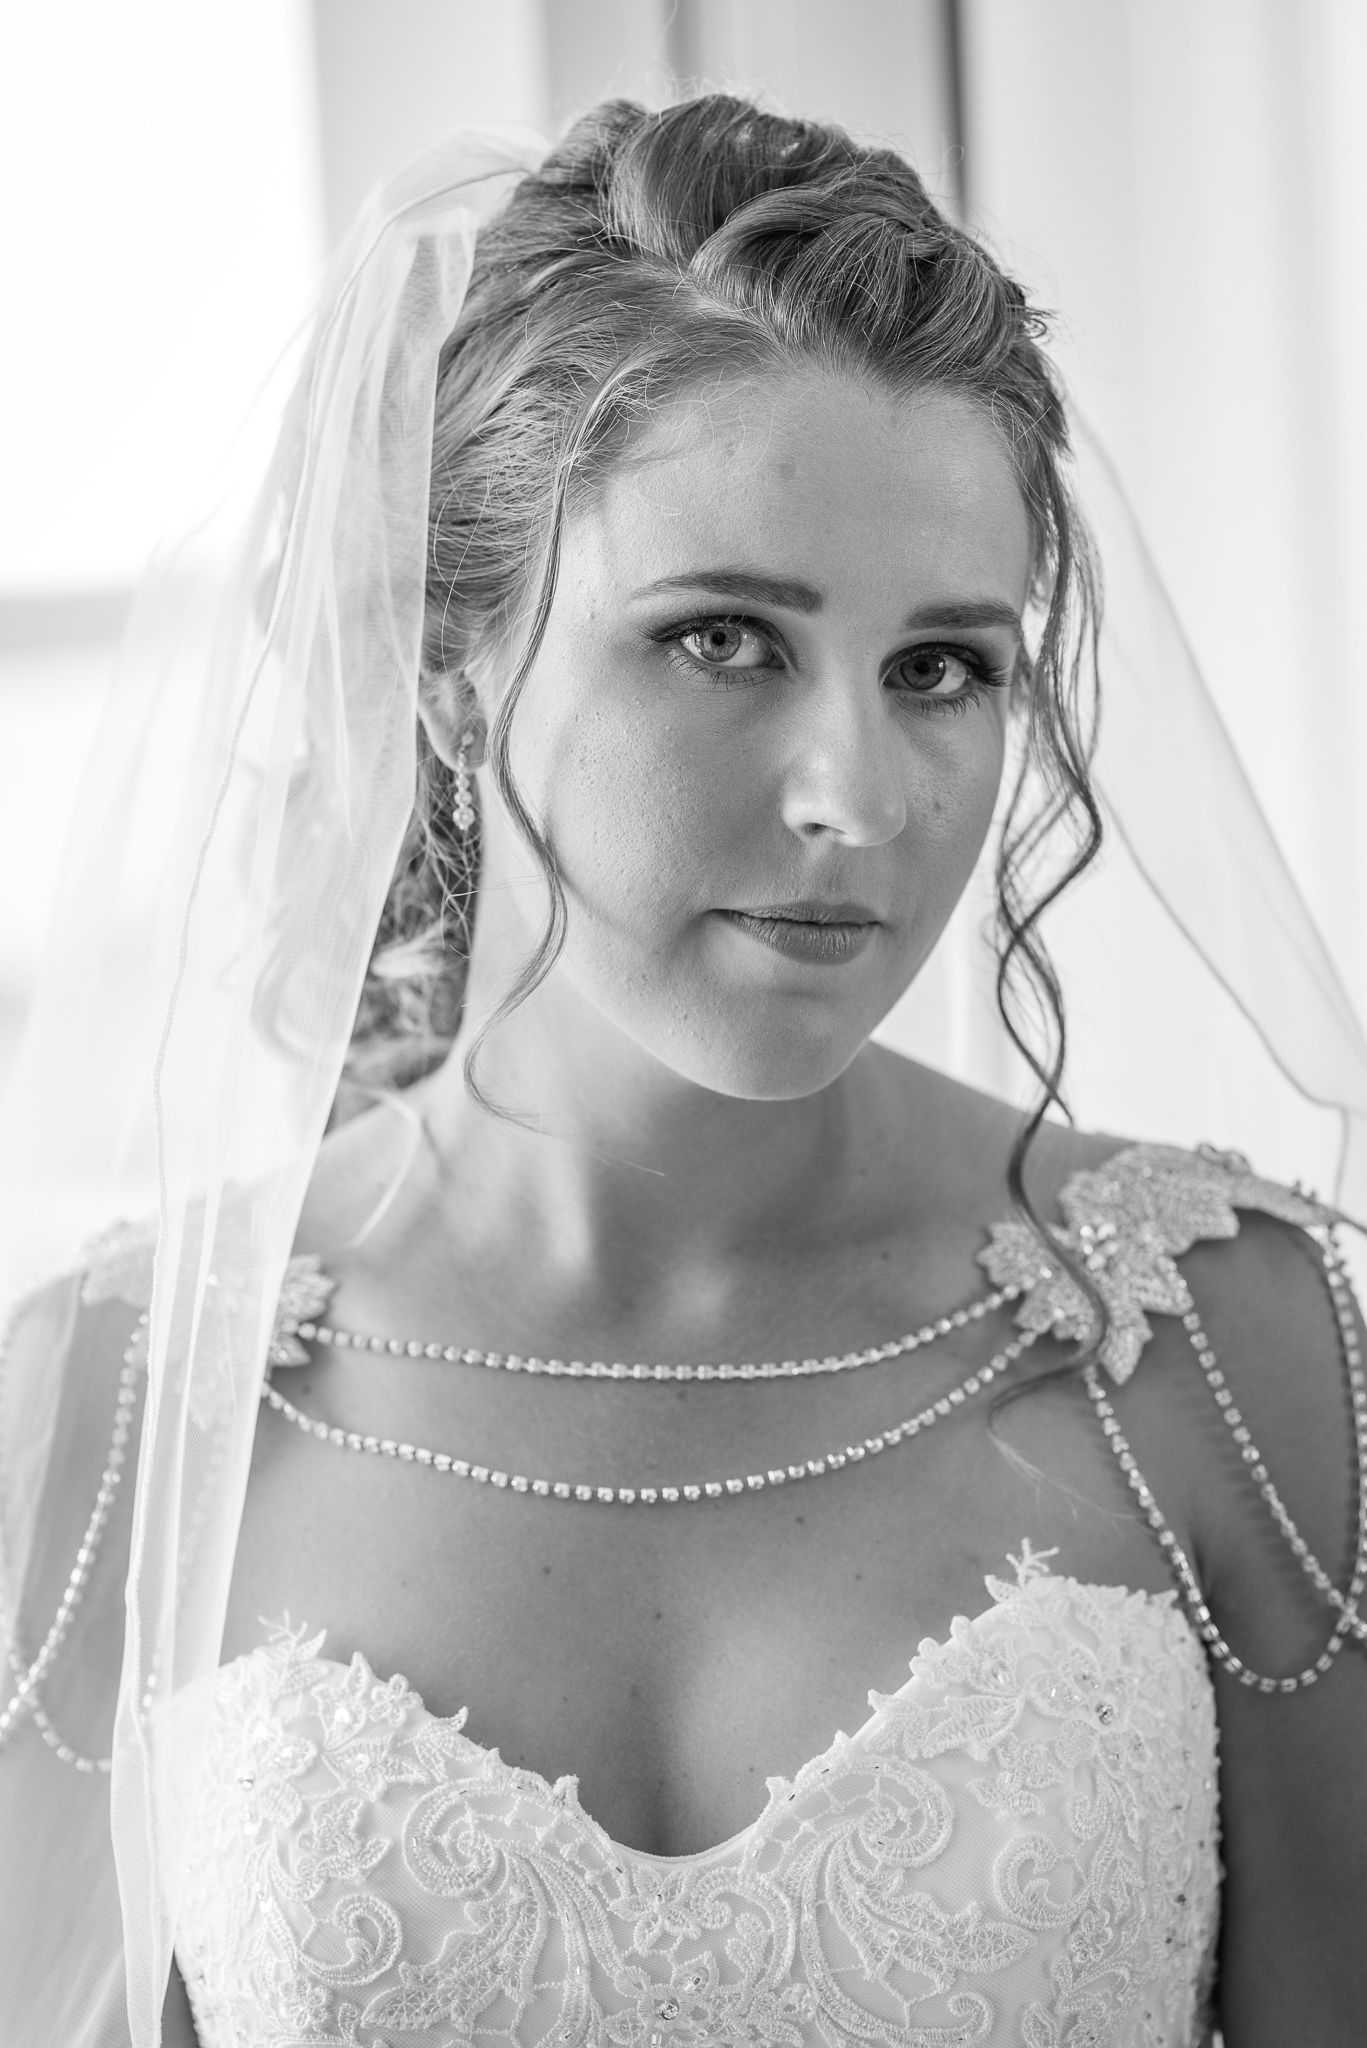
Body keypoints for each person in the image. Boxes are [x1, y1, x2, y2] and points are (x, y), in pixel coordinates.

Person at [1, 96, 1364, 2048]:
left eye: (944, 667)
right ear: (450, 671)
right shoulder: (115, 1414)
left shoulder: (1227, 1341)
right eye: (724, 639)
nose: (859, 799)